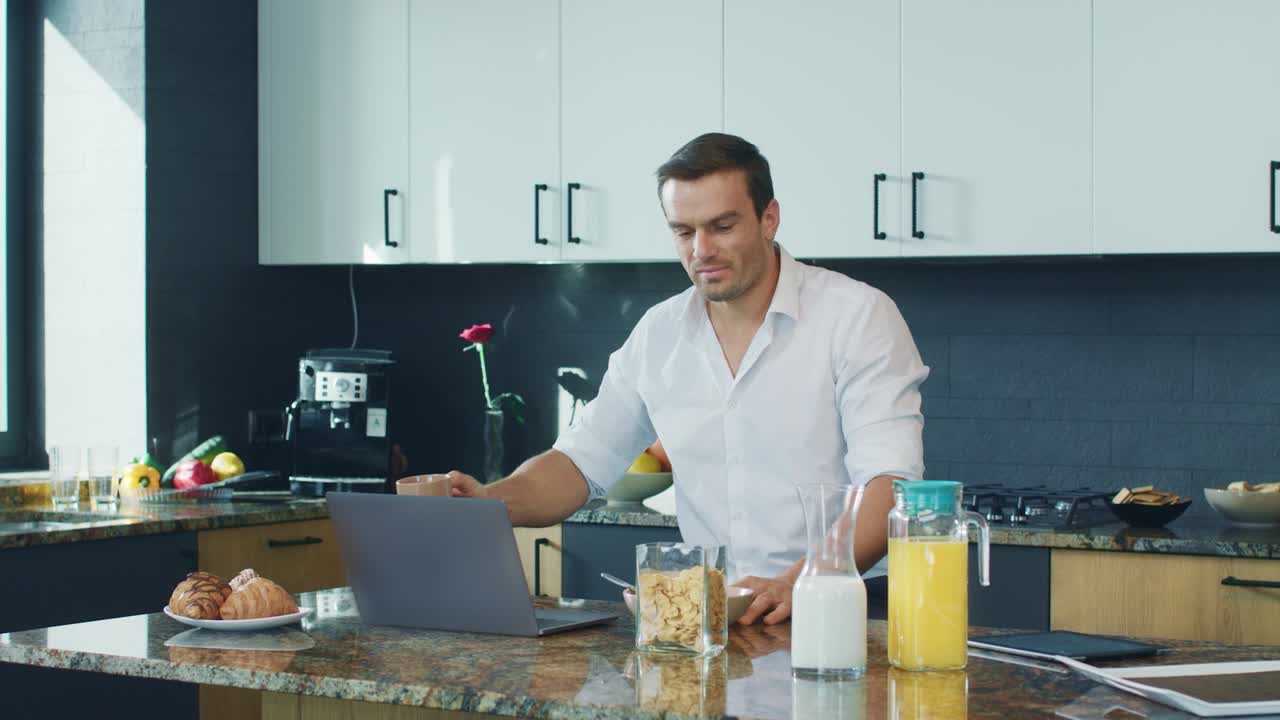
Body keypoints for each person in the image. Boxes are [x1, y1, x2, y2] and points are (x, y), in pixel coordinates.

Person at [446, 133, 928, 625]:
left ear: (769, 218)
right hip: (712, 620)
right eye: (683, 231)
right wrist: (490, 501)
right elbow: (579, 460)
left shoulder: (857, 317)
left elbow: (890, 484)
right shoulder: (659, 334)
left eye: (722, 226)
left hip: (844, 609)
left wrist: (802, 580)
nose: (702, 251)